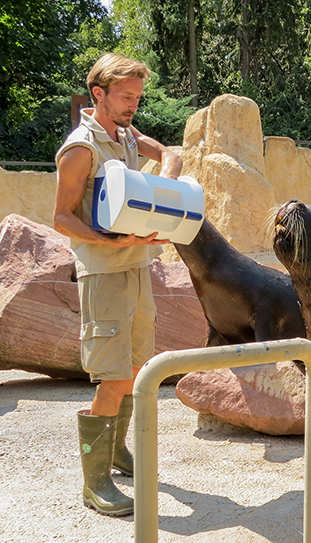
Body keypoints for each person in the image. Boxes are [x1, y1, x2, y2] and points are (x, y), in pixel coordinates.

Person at [53, 53, 182, 516]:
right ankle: (95, 481)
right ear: (99, 95)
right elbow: (61, 217)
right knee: (111, 377)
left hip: (136, 265)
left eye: (137, 97)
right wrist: (111, 240)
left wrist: (161, 191)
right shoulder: (81, 149)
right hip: (103, 272)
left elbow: (169, 152)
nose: (133, 105)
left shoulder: (125, 134)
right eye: (126, 97)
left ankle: (117, 450)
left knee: (134, 369)